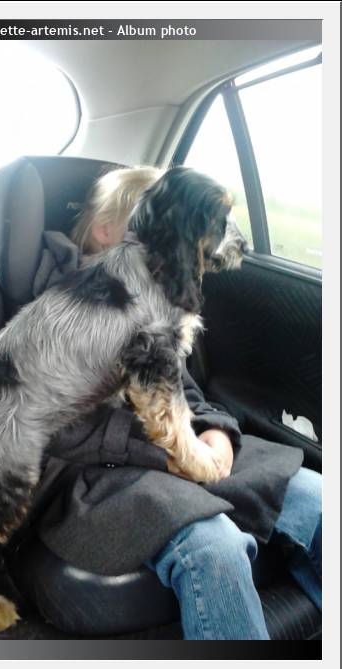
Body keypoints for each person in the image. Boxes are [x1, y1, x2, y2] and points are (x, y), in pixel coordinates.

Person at [25, 166, 321, 640]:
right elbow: (49, 422)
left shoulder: (155, 296)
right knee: (215, 548)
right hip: (100, 473)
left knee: (321, 500)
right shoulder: (53, 300)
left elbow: (183, 386)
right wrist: (171, 452)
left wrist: (215, 431)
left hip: (180, 446)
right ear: (106, 230)